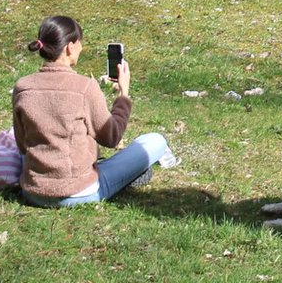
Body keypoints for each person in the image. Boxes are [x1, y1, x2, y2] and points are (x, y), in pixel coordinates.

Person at [12, 14, 175, 207]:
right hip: (79, 193)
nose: (81, 48)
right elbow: (111, 137)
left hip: (33, 192)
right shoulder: (84, 87)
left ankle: (122, 174)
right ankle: (127, 176)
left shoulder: (22, 87)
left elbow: (22, 145)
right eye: (80, 42)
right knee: (156, 141)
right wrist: (123, 94)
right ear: (70, 47)